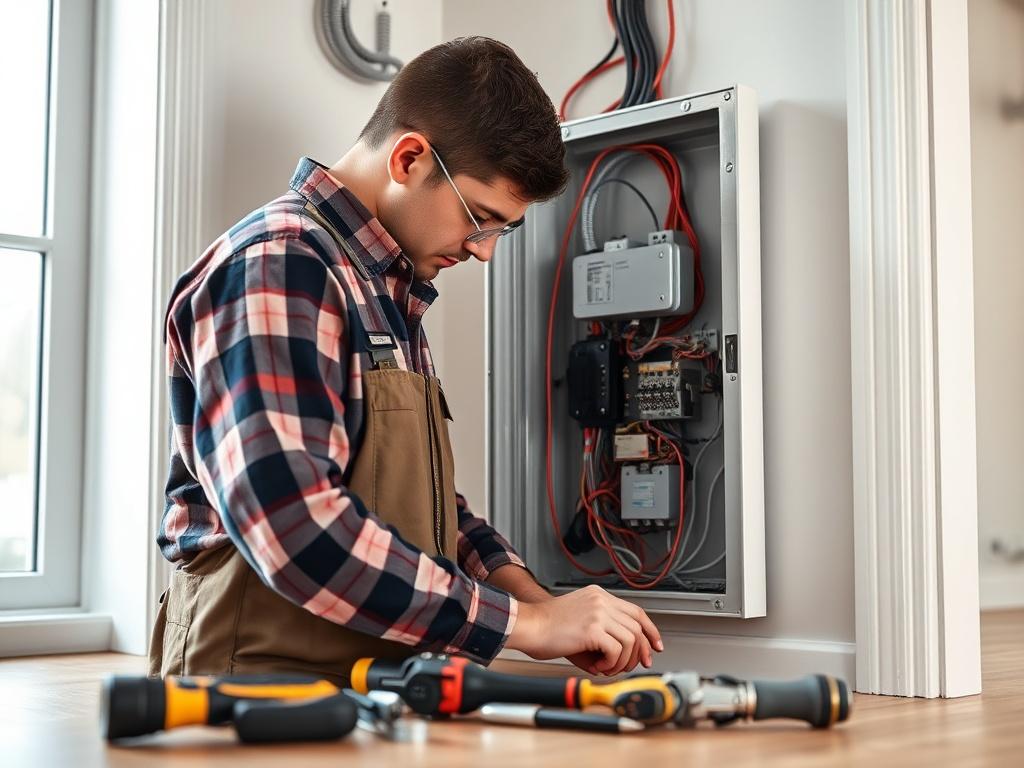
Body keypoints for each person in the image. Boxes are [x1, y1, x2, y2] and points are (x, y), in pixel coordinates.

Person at [149, 36, 663, 686]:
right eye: (479, 218)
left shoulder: (384, 288)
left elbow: (422, 507)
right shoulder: (279, 268)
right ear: (410, 157)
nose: (484, 253)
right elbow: (291, 524)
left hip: (370, 688)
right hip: (252, 688)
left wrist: (546, 606)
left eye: (501, 230)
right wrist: (522, 628)